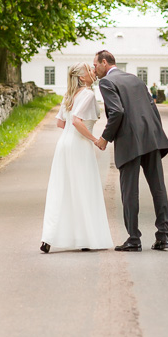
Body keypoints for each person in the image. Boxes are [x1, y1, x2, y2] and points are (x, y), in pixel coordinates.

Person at [93, 50, 168, 252]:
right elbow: (152, 107)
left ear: (104, 62)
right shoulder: (135, 79)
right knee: (158, 187)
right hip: (151, 138)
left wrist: (104, 138)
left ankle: (134, 238)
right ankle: (163, 237)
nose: (94, 69)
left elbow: (117, 111)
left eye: (95, 65)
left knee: (130, 190)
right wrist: (156, 133)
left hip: (129, 140)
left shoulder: (106, 83)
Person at [40, 62, 113, 253]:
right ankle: (85, 238)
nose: (93, 72)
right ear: (82, 77)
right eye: (89, 70)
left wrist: (71, 135)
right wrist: (95, 139)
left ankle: (48, 238)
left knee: (61, 188)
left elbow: (60, 122)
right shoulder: (88, 94)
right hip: (79, 145)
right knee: (84, 188)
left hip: (64, 144)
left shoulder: (69, 95)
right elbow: (76, 121)